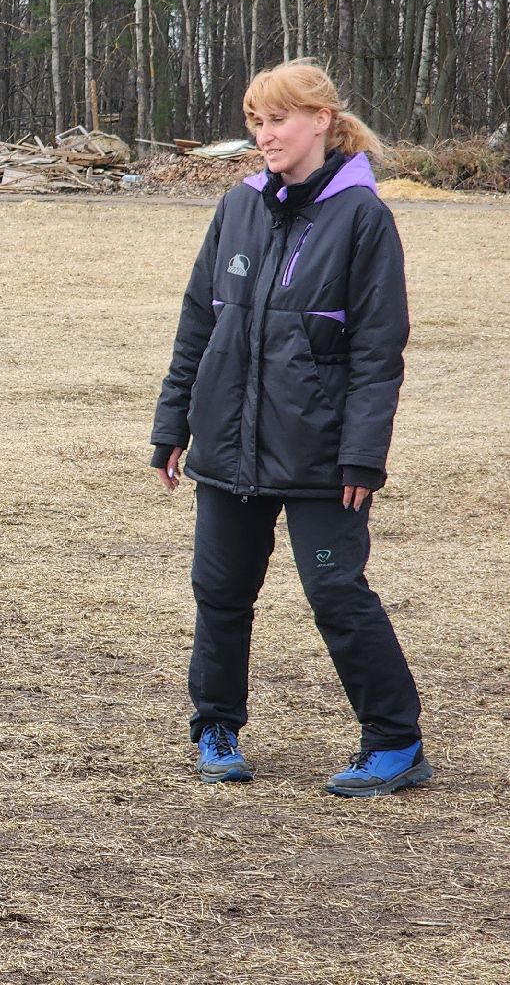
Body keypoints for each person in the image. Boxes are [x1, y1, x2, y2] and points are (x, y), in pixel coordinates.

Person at [149, 58, 425, 798]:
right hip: (227, 443)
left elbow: (378, 352)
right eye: (256, 123)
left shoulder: (363, 217)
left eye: (278, 120)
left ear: (321, 121)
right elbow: (198, 322)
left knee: (336, 592)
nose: (265, 135)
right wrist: (173, 421)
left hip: (319, 453)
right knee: (220, 592)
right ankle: (216, 728)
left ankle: (395, 741)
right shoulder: (237, 207)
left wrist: (362, 456)